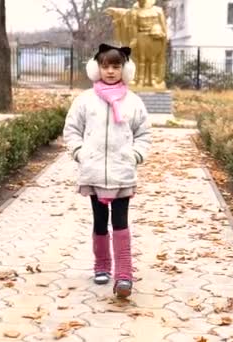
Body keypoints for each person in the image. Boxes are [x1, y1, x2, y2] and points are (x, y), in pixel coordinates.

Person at [63, 43, 151, 298]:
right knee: (100, 221)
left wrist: (135, 155)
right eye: (105, 66)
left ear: (125, 69)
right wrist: (80, 153)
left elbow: (144, 133)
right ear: (96, 68)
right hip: (94, 173)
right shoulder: (85, 100)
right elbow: (71, 130)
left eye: (116, 66)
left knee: (120, 222)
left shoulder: (133, 102)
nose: (110, 71)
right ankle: (102, 265)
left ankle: (124, 275)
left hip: (122, 173)